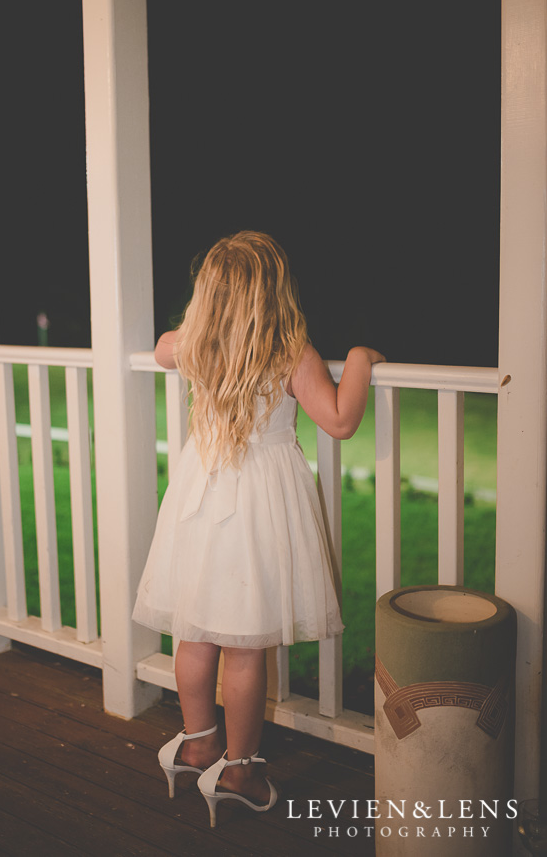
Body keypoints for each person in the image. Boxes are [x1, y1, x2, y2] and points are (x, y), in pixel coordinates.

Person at [132, 230, 385, 827]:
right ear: (275, 291)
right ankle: (241, 770)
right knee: (245, 647)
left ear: (209, 296)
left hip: (200, 497)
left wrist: (195, 330)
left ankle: (197, 743)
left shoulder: (196, 346)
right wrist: (358, 360)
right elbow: (341, 421)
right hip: (258, 508)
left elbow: (161, 348)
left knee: (195, 634)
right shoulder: (290, 354)